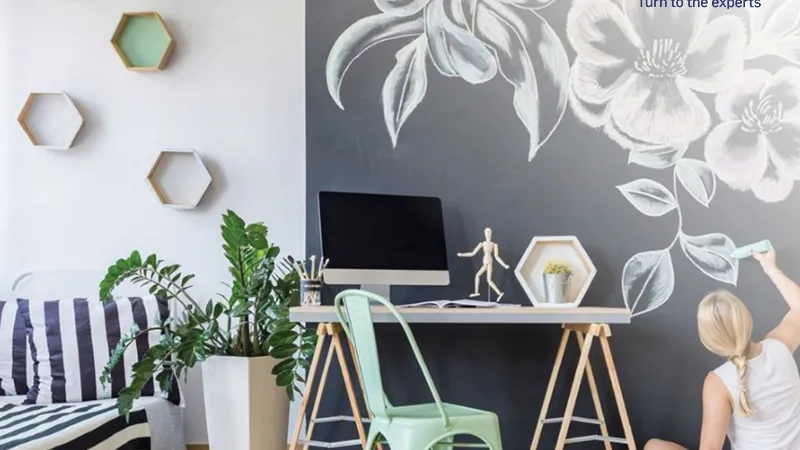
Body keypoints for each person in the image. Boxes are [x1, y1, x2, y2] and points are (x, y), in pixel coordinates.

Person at [646, 248, 800, 450]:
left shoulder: (718, 381)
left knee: (654, 446)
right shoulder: (779, 347)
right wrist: (771, 268)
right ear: (746, 319)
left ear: (708, 340)